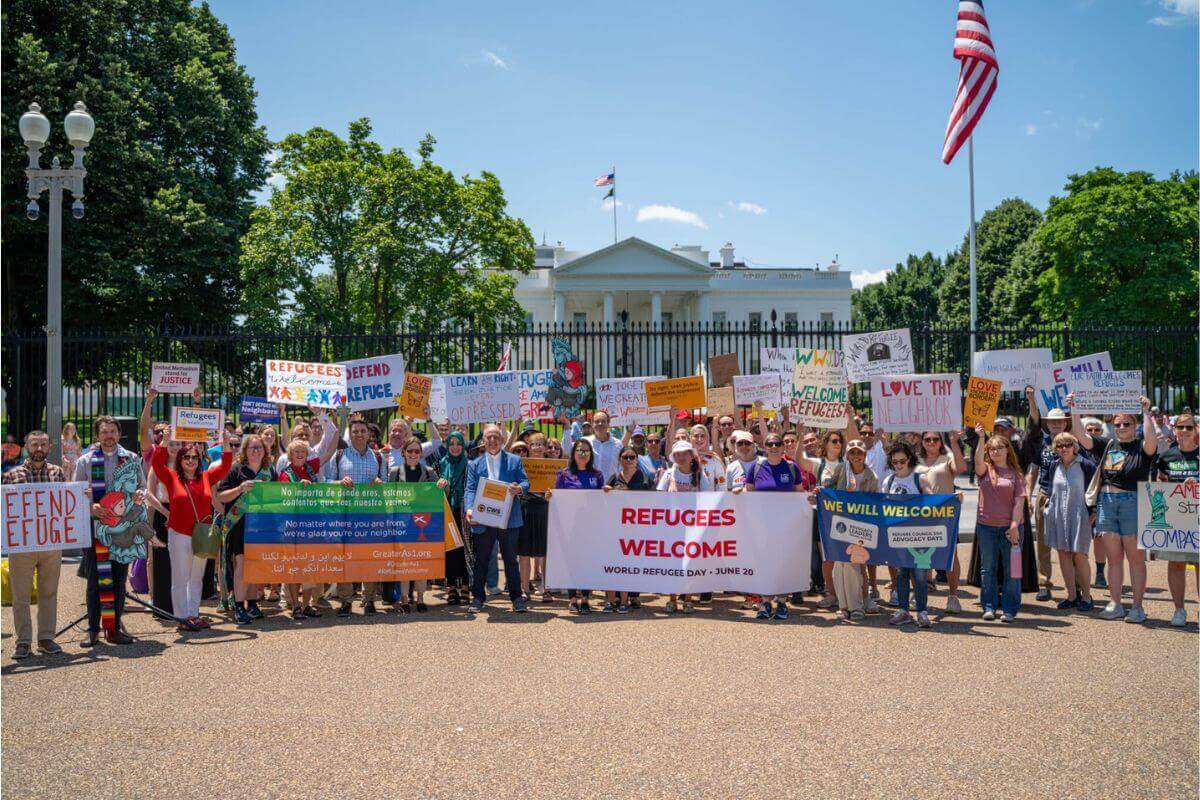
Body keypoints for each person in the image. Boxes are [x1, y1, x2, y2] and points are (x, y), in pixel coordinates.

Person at [1073, 395, 1158, 623]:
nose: (1121, 427)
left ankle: (1137, 607)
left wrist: (1146, 412)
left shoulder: (1142, 447)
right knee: (1114, 558)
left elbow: (1152, 441)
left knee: (1135, 558)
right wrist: (1075, 410)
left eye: (1126, 424)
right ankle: (1116, 603)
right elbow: (1081, 437)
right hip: (1107, 503)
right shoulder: (1107, 445)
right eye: (1117, 424)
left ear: (1135, 425)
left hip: (1132, 502)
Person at [150, 426, 235, 631]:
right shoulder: (171, 478)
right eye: (186, 457)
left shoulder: (206, 477)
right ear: (180, 460)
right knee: (180, 577)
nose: (190, 460)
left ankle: (193, 614)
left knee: (196, 577)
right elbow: (157, 464)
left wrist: (225, 444)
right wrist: (165, 441)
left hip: (201, 534)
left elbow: (225, 466)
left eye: (194, 457)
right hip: (179, 534)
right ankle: (181, 617)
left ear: (199, 461)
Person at [74, 415, 148, 646]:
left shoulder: (131, 459)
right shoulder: (85, 461)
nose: (108, 436)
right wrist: (90, 505)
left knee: (118, 579)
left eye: (112, 432)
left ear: (119, 433)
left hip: (122, 529)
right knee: (95, 581)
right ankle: (93, 629)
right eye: (104, 432)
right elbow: (76, 493)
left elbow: (142, 487)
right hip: (96, 528)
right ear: (97, 435)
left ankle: (114, 628)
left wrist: (139, 496)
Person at [3, 431, 67, 658]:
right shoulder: (11, 476)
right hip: (22, 545)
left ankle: (46, 638)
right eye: (34, 444)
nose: (39, 448)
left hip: (51, 543)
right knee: (20, 595)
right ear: (26, 446)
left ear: (49, 447)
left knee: (49, 592)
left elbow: (65, 504)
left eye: (43, 444)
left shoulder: (58, 473)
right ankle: (23, 641)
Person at [734, 432, 806, 621]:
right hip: (762, 526)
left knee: (782, 563)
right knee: (764, 564)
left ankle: (781, 602)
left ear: (783, 447)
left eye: (777, 444)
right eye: (770, 444)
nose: (774, 447)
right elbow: (748, 492)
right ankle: (766, 602)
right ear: (764, 447)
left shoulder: (791, 468)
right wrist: (738, 491)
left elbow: (800, 494)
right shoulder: (756, 467)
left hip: (785, 526)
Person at [463, 424, 529, 613]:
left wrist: (520, 488)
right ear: (483, 441)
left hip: (508, 518)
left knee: (510, 560)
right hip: (484, 517)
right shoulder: (475, 464)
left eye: (496, 437)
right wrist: (469, 509)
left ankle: (516, 598)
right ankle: (477, 598)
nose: (492, 441)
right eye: (488, 437)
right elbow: (470, 489)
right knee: (481, 559)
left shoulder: (514, 461)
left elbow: (526, 481)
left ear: (501, 439)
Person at [325, 416, 388, 616]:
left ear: (369, 434)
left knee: (369, 558)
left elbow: (386, 484)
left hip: (370, 516)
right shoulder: (339, 455)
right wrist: (338, 482)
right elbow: (326, 481)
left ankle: (369, 599)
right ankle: (345, 600)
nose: (359, 435)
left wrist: (380, 482)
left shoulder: (378, 457)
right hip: (345, 516)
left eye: (362, 431)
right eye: (355, 432)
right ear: (350, 434)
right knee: (345, 558)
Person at [215, 434, 277, 625]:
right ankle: (239, 605)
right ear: (245, 451)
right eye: (252, 448)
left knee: (255, 565)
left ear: (265, 451)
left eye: (259, 447)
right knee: (241, 566)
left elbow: (276, 498)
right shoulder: (236, 470)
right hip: (239, 523)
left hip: (260, 525)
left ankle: (252, 603)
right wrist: (240, 489)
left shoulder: (270, 472)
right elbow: (222, 496)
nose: (256, 451)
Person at [1022, 387, 1075, 601]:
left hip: (1067, 496)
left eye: (1059, 421)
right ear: (1047, 424)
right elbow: (1033, 469)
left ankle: (1075, 585)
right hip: (1044, 493)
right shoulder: (1042, 444)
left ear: (1065, 423)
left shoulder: (1073, 443)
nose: (1055, 424)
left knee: (1068, 543)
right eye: (1052, 422)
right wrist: (1028, 493)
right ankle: (1044, 582)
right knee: (1043, 543)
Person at [972, 424, 1028, 622]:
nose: (995, 451)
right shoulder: (985, 470)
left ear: (1007, 450)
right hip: (986, 527)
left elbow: (1019, 502)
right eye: (992, 449)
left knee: (1012, 570)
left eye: (999, 448)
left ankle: (1010, 609)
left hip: (1009, 528)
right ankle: (989, 606)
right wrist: (981, 439)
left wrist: (1014, 525)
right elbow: (978, 461)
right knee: (988, 568)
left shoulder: (1016, 474)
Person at [546, 439, 606, 613]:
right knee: (571, 562)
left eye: (586, 451)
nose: (583, 454)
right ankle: (572, 598)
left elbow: (603, 500)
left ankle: (585, 598)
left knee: (587, 562)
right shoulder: (563, 474)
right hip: (569, 526)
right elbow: (556, 499)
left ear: (591, 454)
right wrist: (550, 495)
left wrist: (607, 491)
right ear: (573, 453)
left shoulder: (597, 475)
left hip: (589, 526)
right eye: (579, 450)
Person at [1040, 430, 1096, 614]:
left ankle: (1086, 596)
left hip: (1080, 515)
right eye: (1060, 445)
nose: (1064, 448)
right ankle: (1071, 596)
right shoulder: (1054, 465)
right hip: (1058, 515)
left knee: (1080, 555)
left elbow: (1096, 490)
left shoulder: (1086, 465)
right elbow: (1050, 488)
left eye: (1068, 444)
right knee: (1063, 554)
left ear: (1075, 446)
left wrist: (1094, 513)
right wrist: (1048, 504)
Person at [1151, 412, 1199, 626]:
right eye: (1181, 427)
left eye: (1189, 427)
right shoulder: (1166, 457)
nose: (1185, 431)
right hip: (1176, 516)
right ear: (1175, 430)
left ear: (1196, 429)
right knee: (1176, 563)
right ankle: (1179, 610)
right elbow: (1158, 485)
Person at [657, 440, 713, 614]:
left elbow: (708, 497)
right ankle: (672, 598)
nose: (681, 457)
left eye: (684, 454)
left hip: (693, 527)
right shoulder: (668, 474)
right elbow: (659, 497)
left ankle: (688, 598)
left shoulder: (699, 474)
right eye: (677, 454)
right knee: (673, 562)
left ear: (691, 456)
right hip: (672, 526)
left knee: (690, 563)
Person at [881, 441, 934, 628]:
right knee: (901, 574)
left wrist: (953, 499)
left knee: (920, 575)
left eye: (902, 461)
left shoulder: (919, 479)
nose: (898, 465)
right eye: (895, 462)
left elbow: (933, 502)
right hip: (898, 536)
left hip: (919, 535)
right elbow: (882, 507)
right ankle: (903, 610)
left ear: (909, 458)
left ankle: (922, 612)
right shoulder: (888, 482)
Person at [388, 437, 440, 614]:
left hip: (422, 523)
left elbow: (440, 494)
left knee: (420, 560)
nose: (413, 454)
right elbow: (390, 497)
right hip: (402, 522)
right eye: (409, 451)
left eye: (417, 451)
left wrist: (442, 484)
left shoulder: (429, 472)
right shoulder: (395, 472)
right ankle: (404, 598)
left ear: (421, 453)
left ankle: (419, 598)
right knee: (404, 561)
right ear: (403, 453)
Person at [601, 445, 654, 613]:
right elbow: (602, 501)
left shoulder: (645, 478)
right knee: (615, 561)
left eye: (632, 457)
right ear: (620, 460)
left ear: (637, 460)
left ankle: (633, 595)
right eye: (625, 457)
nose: (629, 460)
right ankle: (614, 597)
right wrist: (606, 491)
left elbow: (655, 502)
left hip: (638, 528)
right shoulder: (614, 478)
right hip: (615, 529)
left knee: (634, 562)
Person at [837, 439, 881, 616]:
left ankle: (859, 603)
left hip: (861, 526)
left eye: (859, 453)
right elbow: (828, 485)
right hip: (840, 524)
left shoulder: (872, 476)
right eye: (852, 453)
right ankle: (844, 605)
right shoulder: (841, 470)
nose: (856, 456)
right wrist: (820, 491)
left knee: (858, 564)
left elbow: (874, 502)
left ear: (865, 455)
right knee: (839, 563)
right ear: (847, 455)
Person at [437, 432, 472, 605]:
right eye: (452, 443)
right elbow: (435, 487)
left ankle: (465, 585)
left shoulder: (469, 464)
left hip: (463, 512)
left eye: (458, 443)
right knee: (449, 549)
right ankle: (451, 586)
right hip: (447, 511)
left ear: (463, 445)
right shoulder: (442, 463)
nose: (455, 447)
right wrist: (442, 487)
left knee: (464, 549)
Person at [516, 433, 551, 603]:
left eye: (540, 444)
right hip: (525, 508)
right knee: (524, 553)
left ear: (545, 447)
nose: (537, 447)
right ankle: (524, 589)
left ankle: (546, 588)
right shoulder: (521, 465)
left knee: (544, 552)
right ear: (529, 447)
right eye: (533, 444)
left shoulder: (553, 467)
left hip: (544, 508)